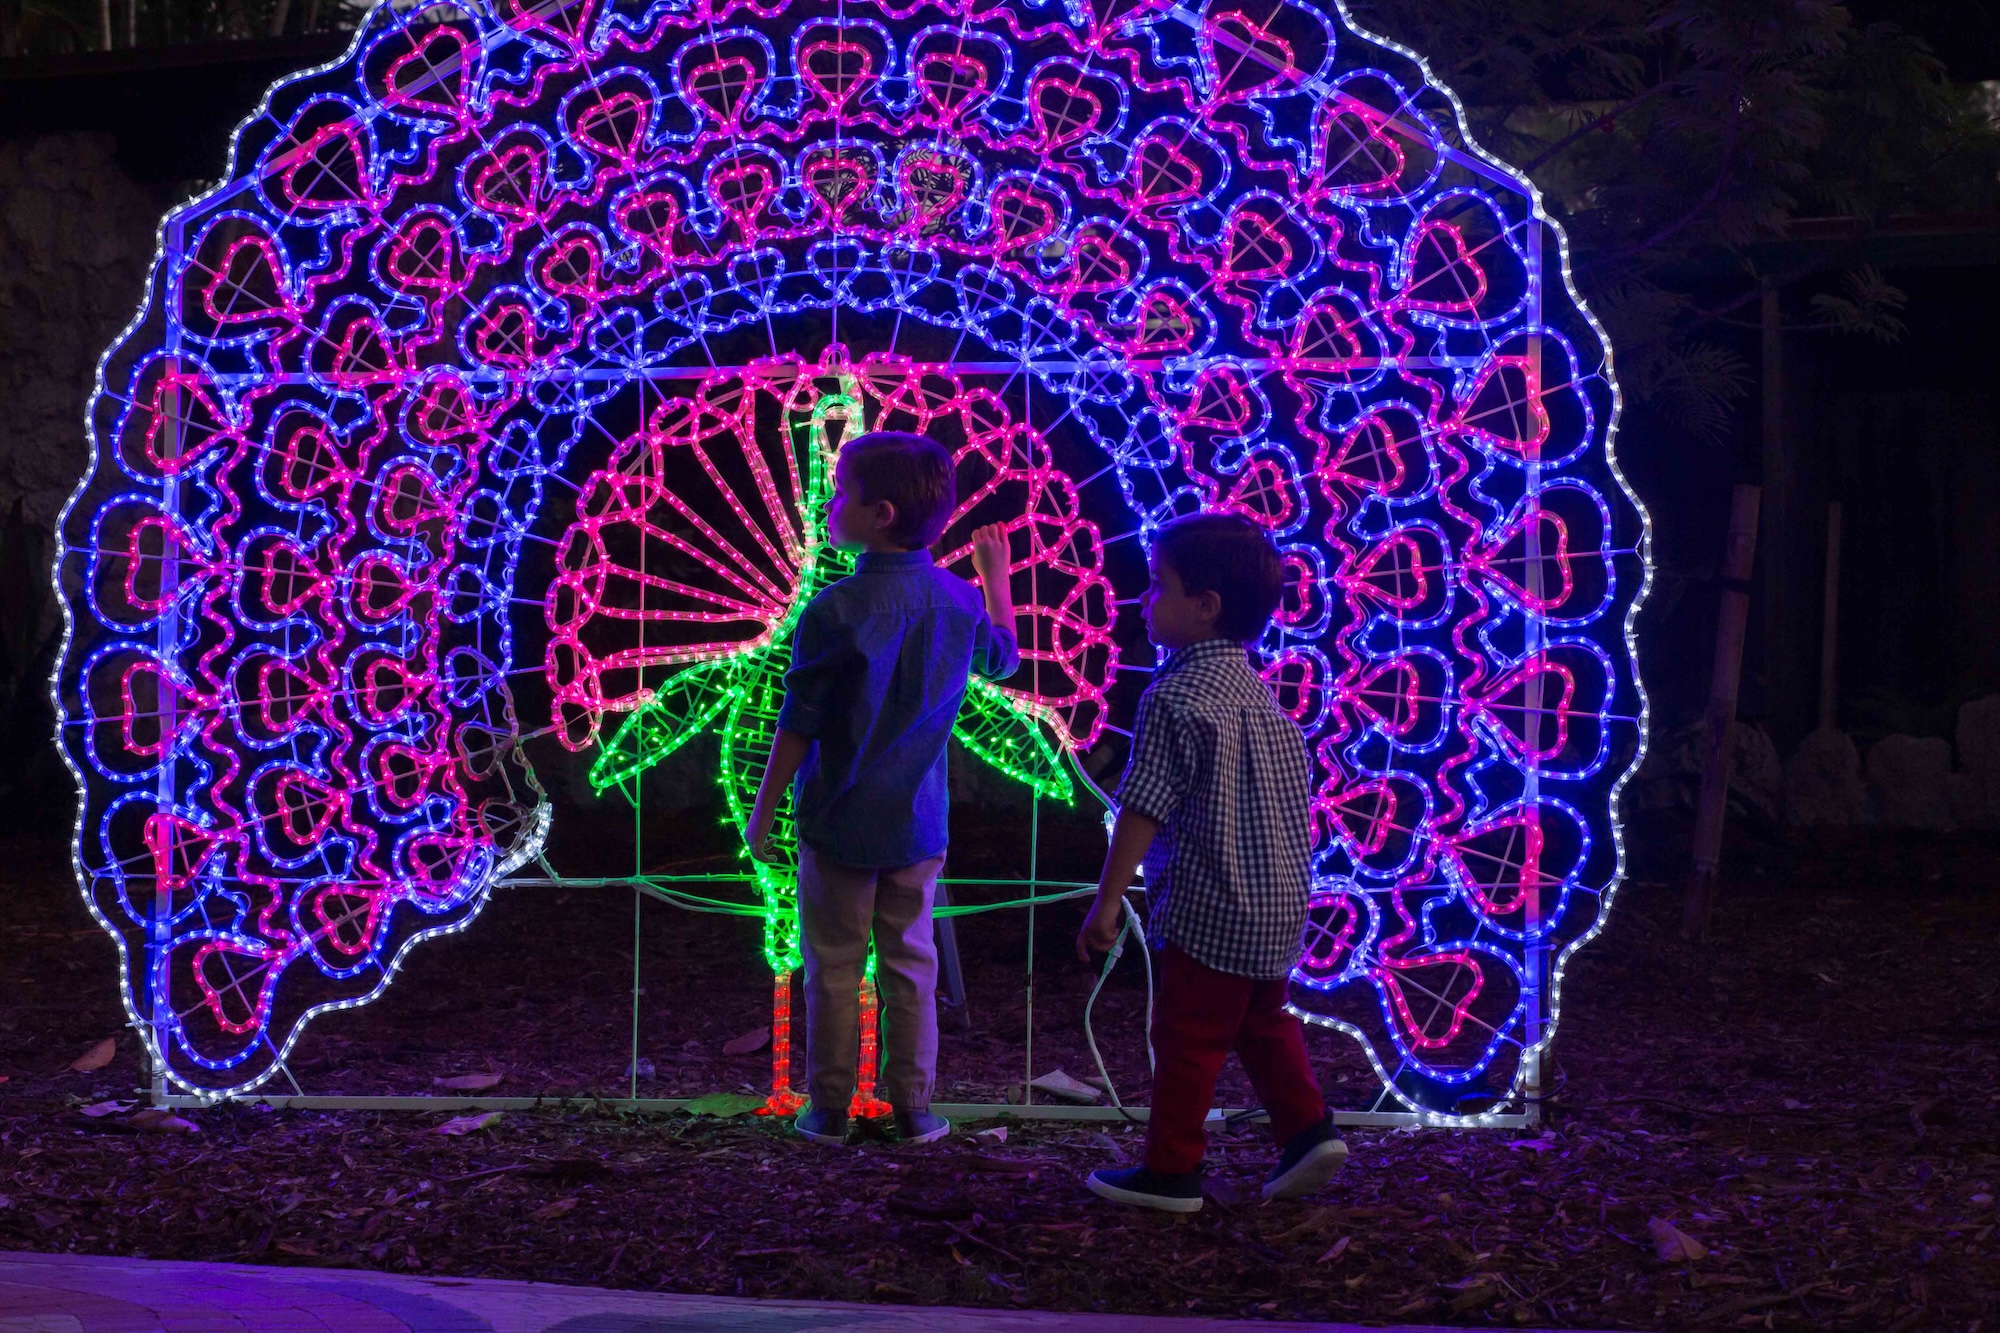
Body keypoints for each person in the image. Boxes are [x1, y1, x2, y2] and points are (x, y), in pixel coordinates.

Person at [745, 430, 1017, 1148]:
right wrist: (996, 578)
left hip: (837, 819)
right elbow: (1005, 657)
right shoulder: (959, 601)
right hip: (918, 824)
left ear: (882, 514)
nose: (829, 505)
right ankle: (914, 1107)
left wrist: (765, 807)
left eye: (842, 494)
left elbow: (798, 722)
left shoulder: (833, 610)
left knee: (832, 964)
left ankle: (829, 1107)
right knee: (912, 962)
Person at [1076, 511, 1344, 1212]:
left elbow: (1143, 806)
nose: (1144, 599)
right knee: (1263, 1019)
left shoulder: (1175, 698)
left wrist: (1109, 900)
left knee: (1187, 1035)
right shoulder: (1267, 705)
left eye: (1159, 586)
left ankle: (1171, 1169)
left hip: (1211, 906)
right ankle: (1309, 1130)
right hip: (1279, 904)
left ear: (1205, 607)